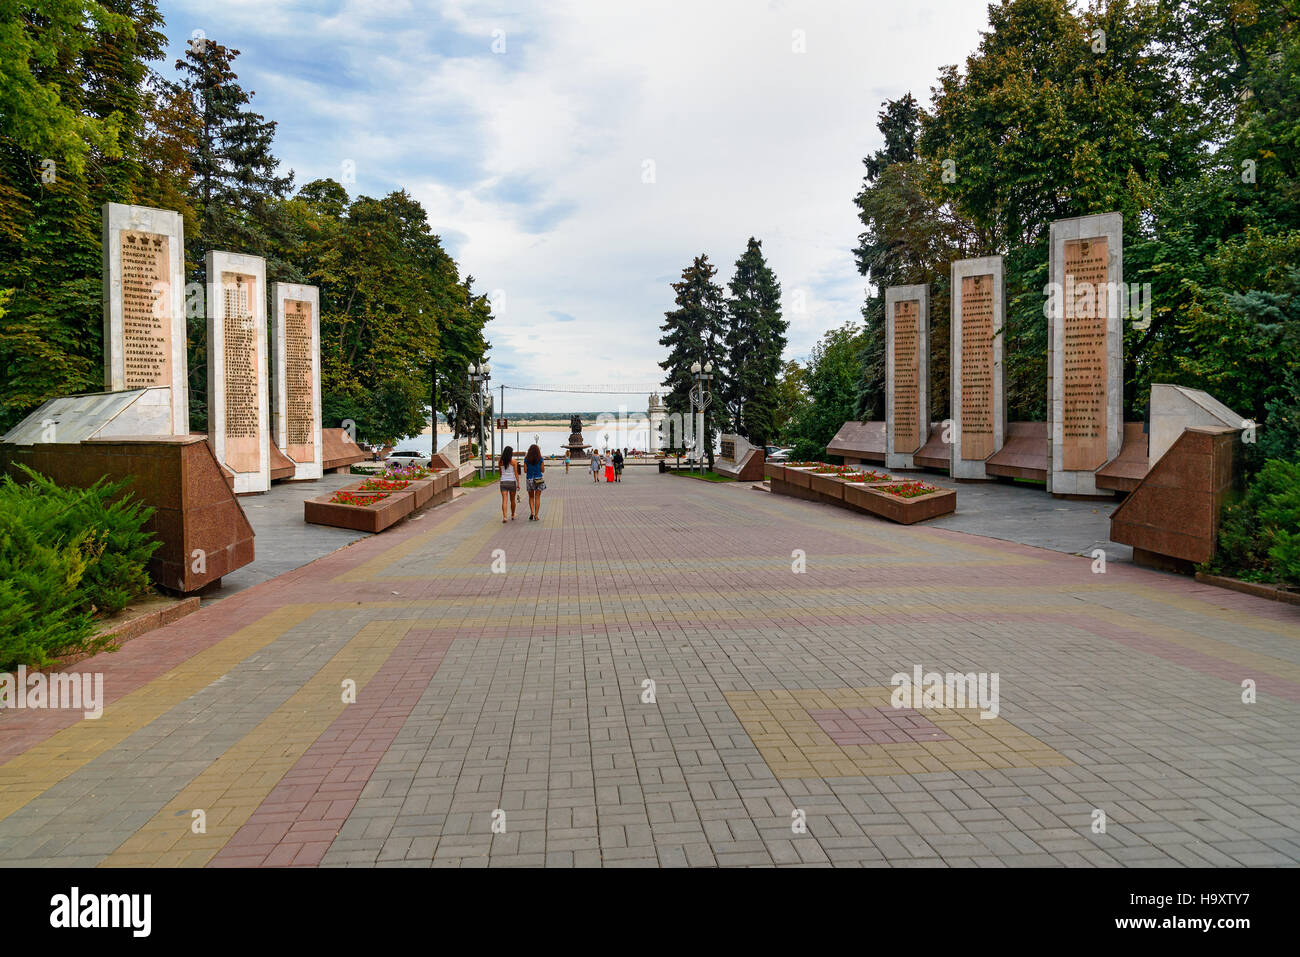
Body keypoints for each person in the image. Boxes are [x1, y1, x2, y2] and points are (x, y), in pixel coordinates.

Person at [498, 445, 521, 522]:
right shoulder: (514, 462)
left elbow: (500, 473)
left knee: (504, 500)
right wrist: (518, 483)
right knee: (512, 500)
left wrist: (502, 478)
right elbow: (516, 473)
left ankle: (505, 517)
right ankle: (513, 514)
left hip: (503, 482)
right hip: (512, 482)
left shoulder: (500, 461)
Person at [525, 443, 545, 520]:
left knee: (531, 497)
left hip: (529, 479)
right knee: (537, 497)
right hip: (539, 479)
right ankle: (536, 515)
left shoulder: (526, 459)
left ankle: (532, 512)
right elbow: (542, 470)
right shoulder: (540, 459)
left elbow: (525, 470)